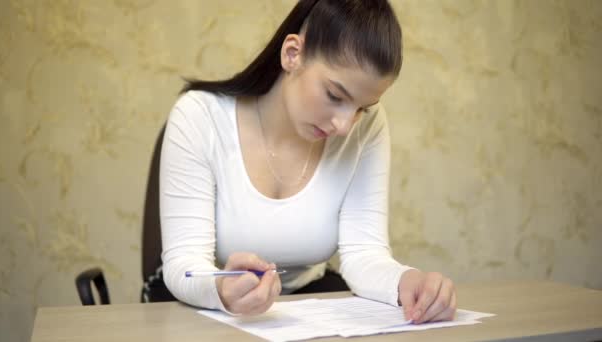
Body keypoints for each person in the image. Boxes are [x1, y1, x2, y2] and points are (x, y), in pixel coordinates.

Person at [160, 0, 456, 323]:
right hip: (209, 310)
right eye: (335, 96)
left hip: (309, 305)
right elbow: (184, 262)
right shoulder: (199, 117)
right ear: (292, 54)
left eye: (361, 107)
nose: (344, 125)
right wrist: (220, 288)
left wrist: (407, 282)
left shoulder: (368, 128)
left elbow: (364, 255)